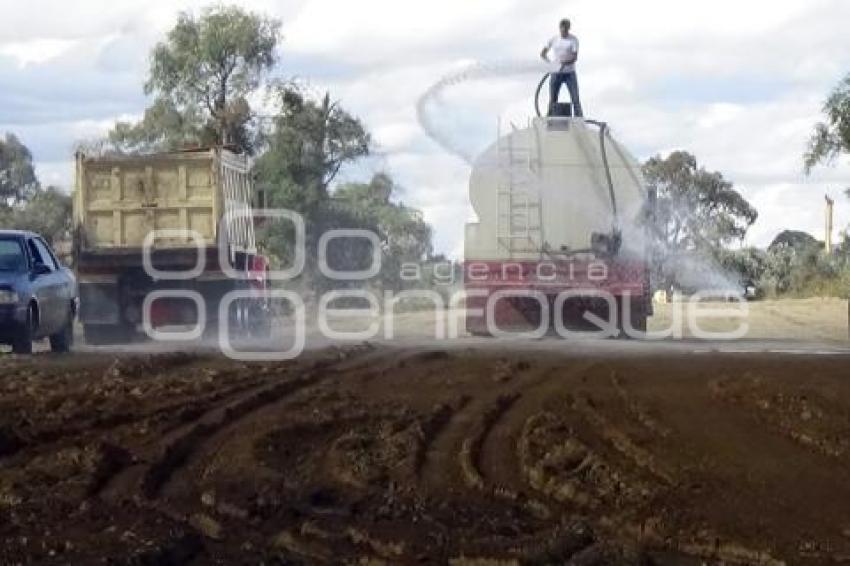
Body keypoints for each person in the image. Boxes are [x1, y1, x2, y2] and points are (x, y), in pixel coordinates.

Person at [540, 18, 583, 117]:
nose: (564, 32)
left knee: (575, 99)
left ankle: (579, 119)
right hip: (556, 73)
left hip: (569, 74)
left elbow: (574, 57)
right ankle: (549, 119)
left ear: (569, 29)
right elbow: (542, 54)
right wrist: (551, 64)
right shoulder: (553, 39)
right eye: (562, 30)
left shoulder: (573, 40)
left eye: (566, 30)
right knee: (553, 99)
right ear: (560, 28)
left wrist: (564, 63)